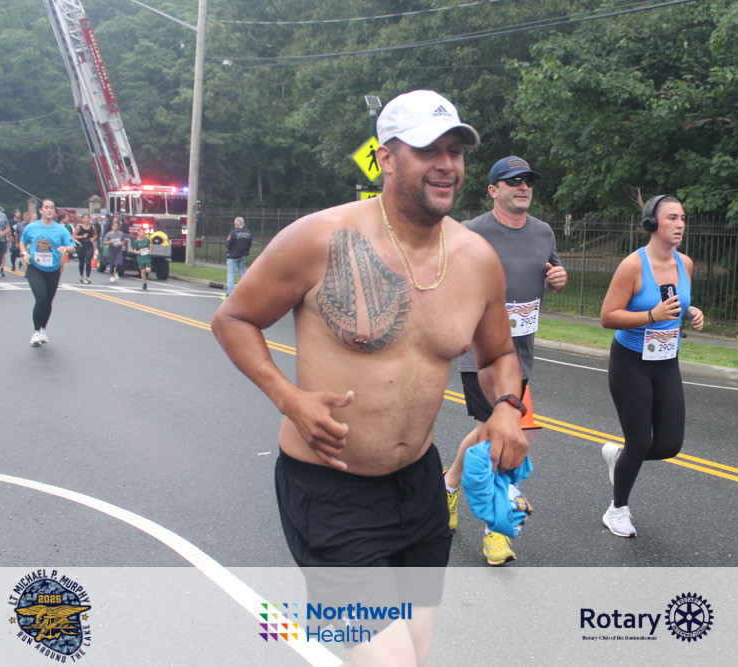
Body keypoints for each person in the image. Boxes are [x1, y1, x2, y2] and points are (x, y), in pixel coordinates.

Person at [211, 89, 528, 666]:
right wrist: (289, 398)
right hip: (330, 492)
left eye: (456, 151)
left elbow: (498, 355)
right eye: (428, 150)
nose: (447, 164)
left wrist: (507, 406)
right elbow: (233, 318)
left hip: (420, 488)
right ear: (386, 158)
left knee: (417, 651)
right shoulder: (319, 238)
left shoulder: (477, 258)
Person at [442, 156, 567, 566]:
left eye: (528, 180)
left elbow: (553, 270)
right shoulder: (470, 232)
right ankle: (496, 529)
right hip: (481, 356)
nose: (523, 186)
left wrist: (558, 278)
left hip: (521, 355)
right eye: (513, 181)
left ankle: (449, 485)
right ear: (494, 190)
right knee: (496, 435)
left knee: (486, 431)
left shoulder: (543, 231)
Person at [599, 194, 705, 538]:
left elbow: (678, 303)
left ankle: (620, 457)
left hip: (667, 361)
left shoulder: (685, 263)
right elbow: (607, 317)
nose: (680, 224)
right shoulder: (633, 265)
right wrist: (650, 316)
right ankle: (617, 510)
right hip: (631, 363)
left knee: (670, 444)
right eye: (672, 218)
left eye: (683, 218)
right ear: (651, 223)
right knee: (640, 440)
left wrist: (691, 312)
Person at [20, 199, 76, 347]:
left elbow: (72, 246)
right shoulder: (32, 227)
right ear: (41, 210)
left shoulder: (61, 230)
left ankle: (43, 329)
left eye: (52, 208)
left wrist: (66, 248)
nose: (49, 210)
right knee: (41, 299)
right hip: (35, 268)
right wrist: (24, 253)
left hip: (53, 269)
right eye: (46, 207)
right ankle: (36, 331)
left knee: (48, 301)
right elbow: (22, 242)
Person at [223, 216, 252, 298]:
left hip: (233, 256)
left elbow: (227, 244)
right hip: (243, 255)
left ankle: (230, 292)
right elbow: (249, 244)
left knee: (231, 274)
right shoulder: (248, 233)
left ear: (236, 224)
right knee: (242, 273)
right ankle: (245, 291)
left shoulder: (233, 233)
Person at [72, 213, 98, 284]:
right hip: (81, 244)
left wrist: (93, 238)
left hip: (89, 244)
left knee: (88, 260)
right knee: (81, 261)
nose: (86, 220)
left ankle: (88, 277)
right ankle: (81, 276)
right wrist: (81, 236)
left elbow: (96, 234)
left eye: (87, 218)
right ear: (82, 219)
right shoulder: (79, 227)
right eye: (85, 218)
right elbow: (73, 235)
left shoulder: (92, 227)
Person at [0, 207, 10, 277]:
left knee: (1, 257)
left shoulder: (3, 216)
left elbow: (8, 228)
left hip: (1, 240)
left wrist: (3, 233)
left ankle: (1, 268)